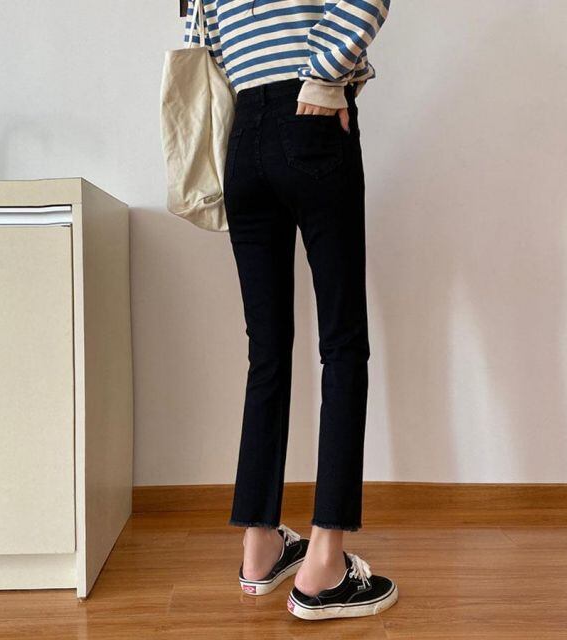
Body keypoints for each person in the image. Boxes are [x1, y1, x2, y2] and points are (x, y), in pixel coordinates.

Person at [184, 0, 398, 621]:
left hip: (241, 136)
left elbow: (201, 42)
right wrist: (325, 77)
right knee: (343, 344)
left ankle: (259, 547)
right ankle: (325, 564)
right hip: (310, 120)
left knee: (268, 352)